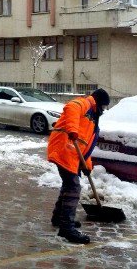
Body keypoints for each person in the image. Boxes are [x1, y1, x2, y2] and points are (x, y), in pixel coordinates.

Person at [47, 88, 110, 244]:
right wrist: (72, 130)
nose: (104, 110)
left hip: (72, 154)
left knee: (69, 185)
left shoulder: (93, 120)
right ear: (99, 102)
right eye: (104, 106)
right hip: (63, 148)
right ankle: (66, 228)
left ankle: (58, 219)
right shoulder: (85, 103)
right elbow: (71, 108)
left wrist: (87, 165)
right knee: (73, 187)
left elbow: (85, 147)